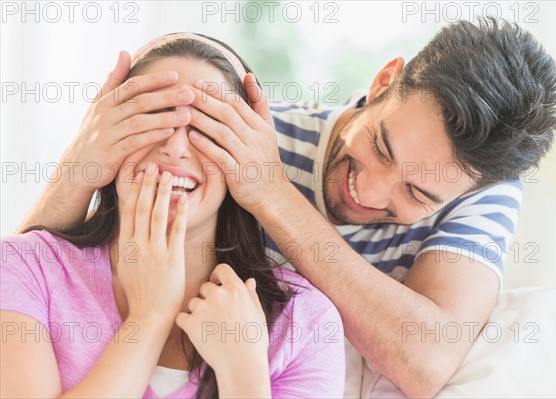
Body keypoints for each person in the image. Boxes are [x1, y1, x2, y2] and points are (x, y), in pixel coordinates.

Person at [14, 18, 556, 398]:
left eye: (417, 194)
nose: (370, 193)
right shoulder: (239, 132)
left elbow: (425, 361)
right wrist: (81, 167)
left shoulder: (476, 188)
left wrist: (269, 192)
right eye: (379, 146)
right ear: (382, 82)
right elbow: (28, 274)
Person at [0, 33, 345, 399]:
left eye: (206, 129)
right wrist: (150, 316)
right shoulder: (25, 266)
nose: (176, 148)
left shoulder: (304, 322)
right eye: (155, 118)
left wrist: (244, 376)